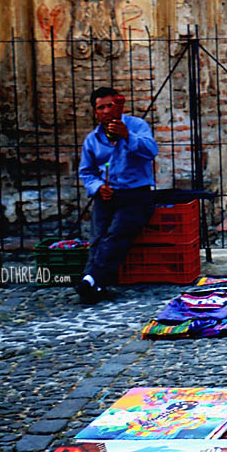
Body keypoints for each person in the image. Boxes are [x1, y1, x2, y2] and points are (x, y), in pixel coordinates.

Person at [76, 87, 159, 303]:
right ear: (95, 112)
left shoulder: (137, 126)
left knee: (116, 235)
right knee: (97, 237)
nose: (106, 111)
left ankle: (90, 278)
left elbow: (151, 151)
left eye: (109, 106)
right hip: (108, 194)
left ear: (118, 106)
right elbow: (86, 172)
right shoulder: (92, 139)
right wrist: (97, 187)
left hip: (136, 194)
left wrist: (127, 136)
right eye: (100, 108)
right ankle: (95, 283)